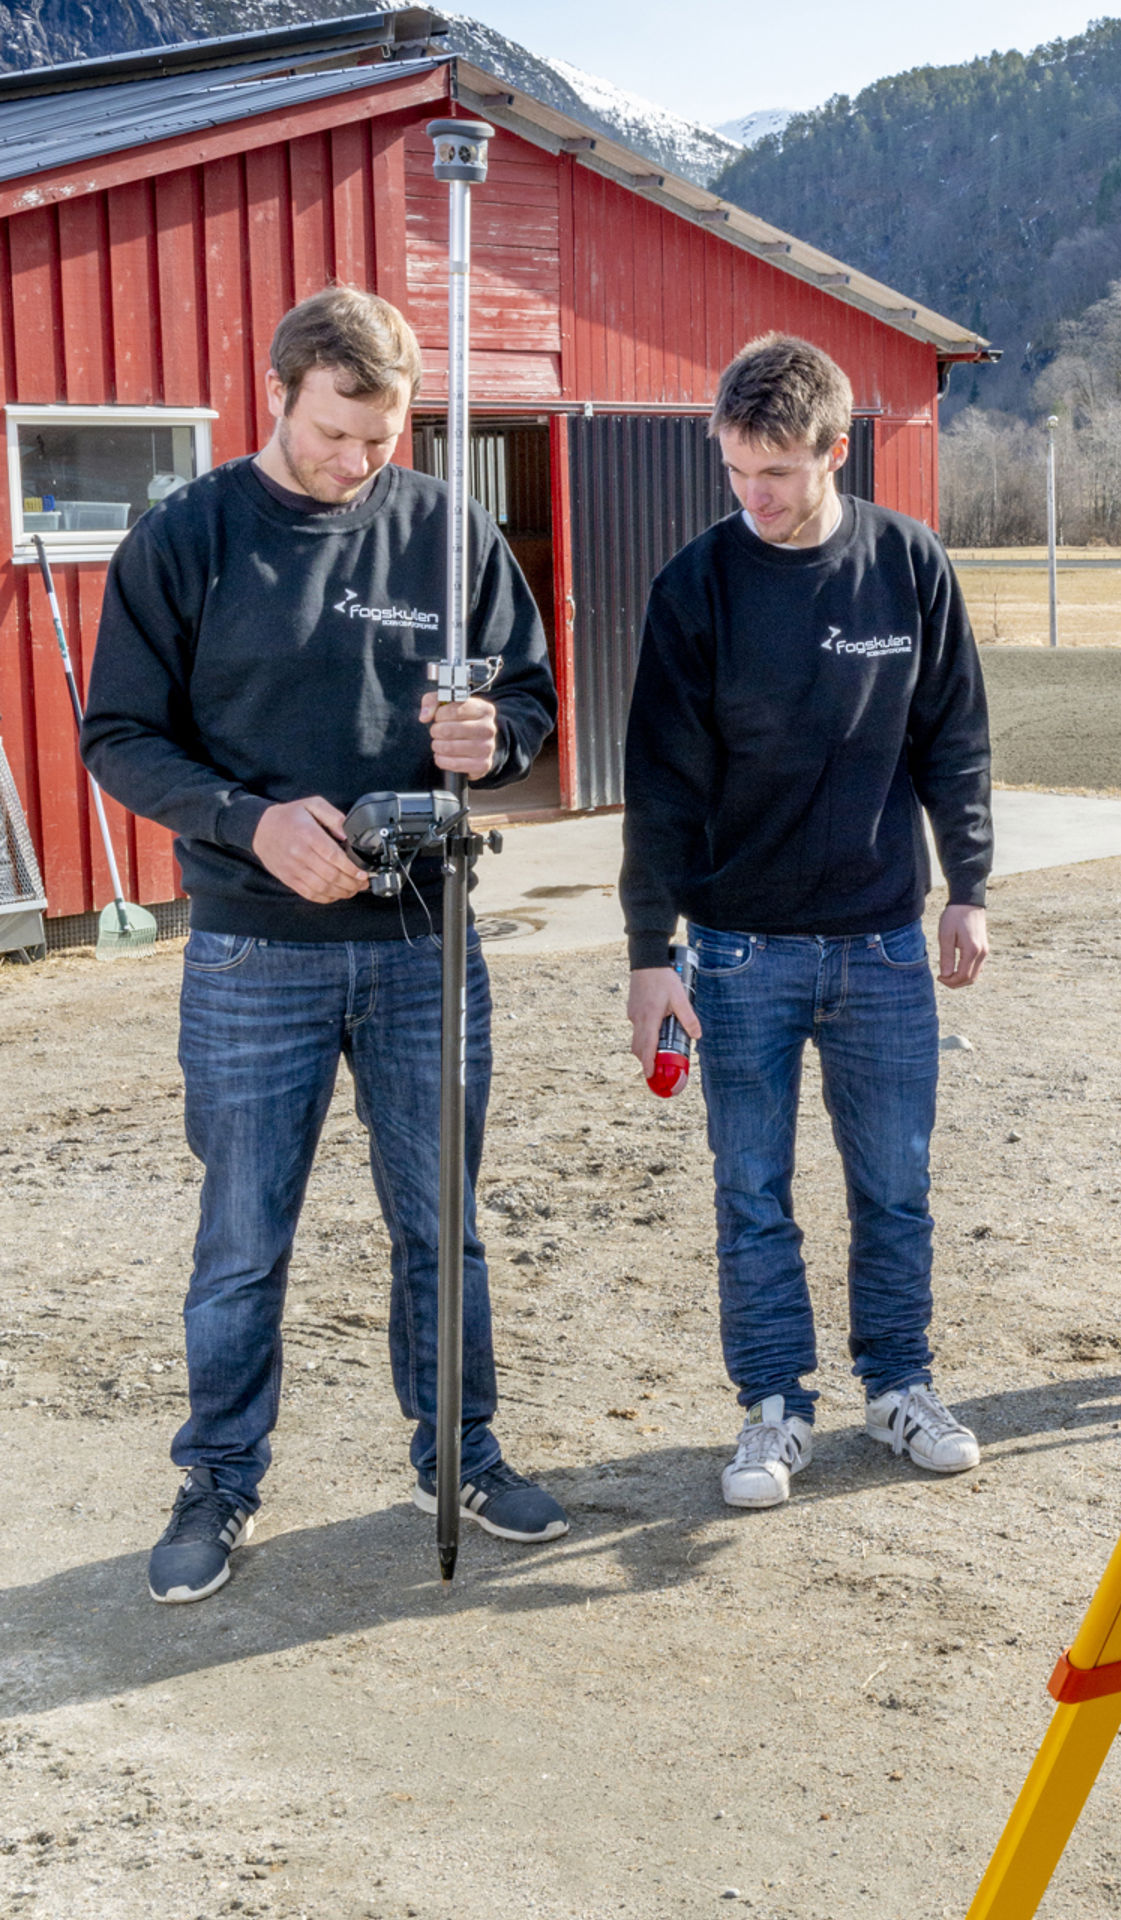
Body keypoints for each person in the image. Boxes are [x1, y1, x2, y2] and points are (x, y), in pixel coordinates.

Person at [82, 286, 568, 1603]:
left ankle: (460, 1454)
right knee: (244, 1237)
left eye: (385, 437)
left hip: (424, 941)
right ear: (281, 392)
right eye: (339, 433)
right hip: (255, 951)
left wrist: (496, 741)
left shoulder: (445, 527)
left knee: (442, 1224)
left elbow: (525, 692)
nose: (362, 464)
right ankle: (219, 1484)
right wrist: (248, 822)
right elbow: (116, 736)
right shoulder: (186, 540)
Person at [621, 333, 992, 1510]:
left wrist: (968, 885)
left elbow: (955, 741)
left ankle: (899, 1385)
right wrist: (648, 954)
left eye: (774, 473)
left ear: (839, 451)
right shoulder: (697, 588)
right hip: (737, 954)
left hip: (885, 942)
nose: (753, 497)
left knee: (895, 1182)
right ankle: (775, 1407)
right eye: (736, 472)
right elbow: (661, 787)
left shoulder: (908, 566)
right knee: (752, 1187)